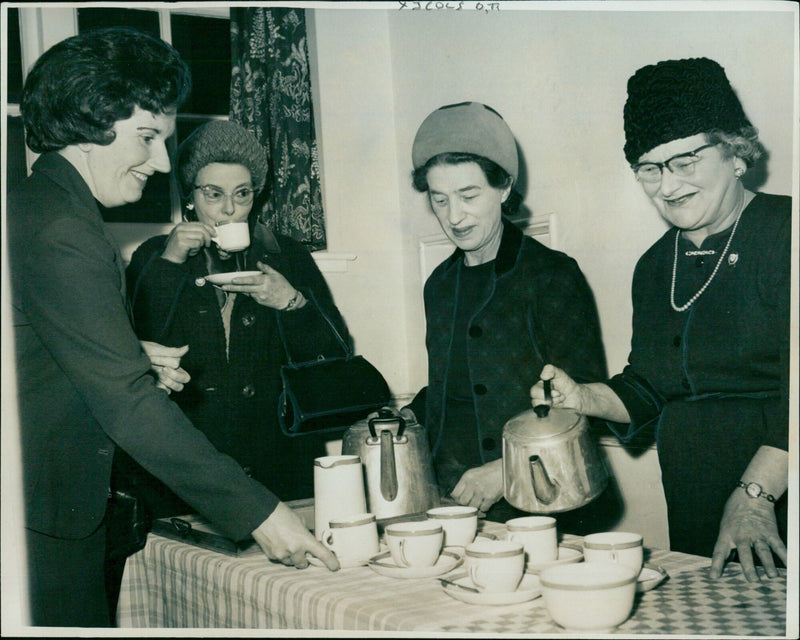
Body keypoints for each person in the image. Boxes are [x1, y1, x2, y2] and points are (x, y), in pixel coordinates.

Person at [7, 27, 337, 628]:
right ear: (89, 123)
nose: (161, 163)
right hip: (42, 511)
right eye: (147, 137)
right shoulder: (65, 228)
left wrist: (126, 349)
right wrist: (261, 514)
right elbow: (128, 403)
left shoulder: (37, 205)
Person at [531, 57, 790, 581]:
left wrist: (756, 493)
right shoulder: (654, 266)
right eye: (650, 168)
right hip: (695, 487)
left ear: (736, 153)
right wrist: (584, 397)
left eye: (685, 161)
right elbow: (649, 386)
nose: (667, 187)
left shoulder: (788, 233)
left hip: (779, 484)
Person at [113, 119, 350, 518]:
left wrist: (292, 302)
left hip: (277, 462)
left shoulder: (287, 256)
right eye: (213, 194)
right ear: (189, 198)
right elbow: (130, 347)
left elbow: (337, 354)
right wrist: (170, 263)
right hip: (186, 466)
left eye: (242, 194)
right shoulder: (156, 255)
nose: (229, 208)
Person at [404, 102, 608, 525]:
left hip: (541, 498)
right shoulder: (439, 285)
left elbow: (584, 401)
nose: (454, 216)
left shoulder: (552, 275)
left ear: (503, 188)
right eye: (439, 200)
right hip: (450, 499)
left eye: (469, 195)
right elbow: (455, 387)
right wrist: (405, 416)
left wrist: (505, 469)